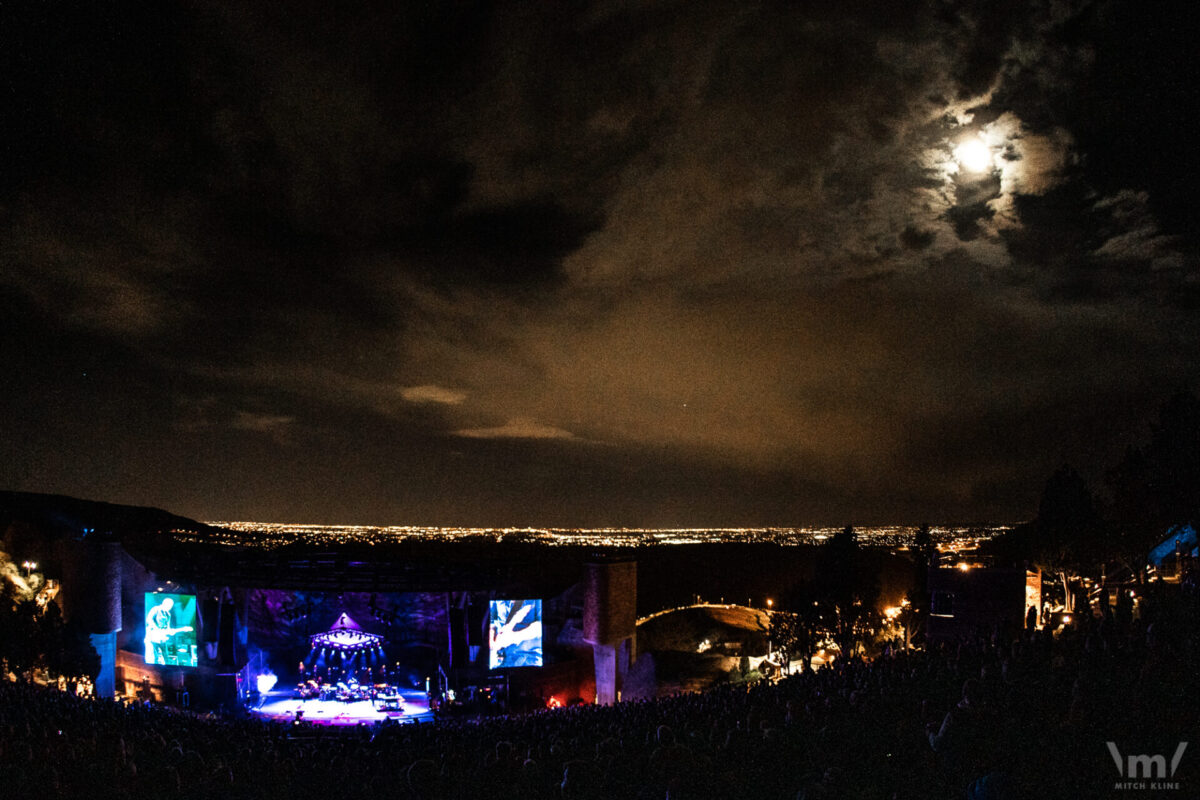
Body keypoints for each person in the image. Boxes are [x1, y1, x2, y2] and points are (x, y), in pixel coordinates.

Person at [145, 597, 193, 665]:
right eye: (168, 606)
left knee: (164, 660)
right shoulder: (156, 609)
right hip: (152, 639)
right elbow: (149, 619)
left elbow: (168, 629)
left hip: (161, 640)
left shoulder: (168, 614)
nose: (169, 608)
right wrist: (157, 629)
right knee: (151, 659)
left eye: (171, 606)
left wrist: (183, 629)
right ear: (164, 603)